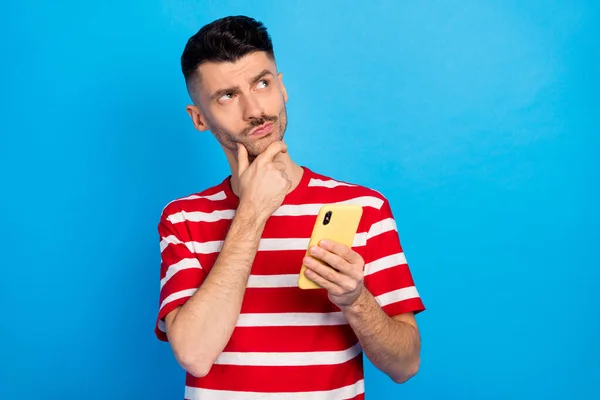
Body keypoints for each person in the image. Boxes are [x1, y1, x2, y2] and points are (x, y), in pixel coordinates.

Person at [155, 15, 426, 400]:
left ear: (282, 88)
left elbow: (406, 365)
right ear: (199, 117)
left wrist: (355, 299)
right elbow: (195, 355)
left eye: (261, 83)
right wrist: (252, 212)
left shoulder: (362, 207)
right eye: (227, 96)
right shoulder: (184, 219)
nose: (254, 110)